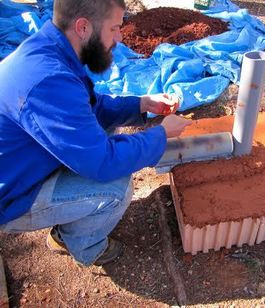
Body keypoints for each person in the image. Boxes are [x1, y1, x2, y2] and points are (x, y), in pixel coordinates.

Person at [0, 0, 191, 266]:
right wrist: (159, 135)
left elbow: (88, 106)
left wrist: (141, 104)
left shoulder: (51, 50)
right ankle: (79, 244)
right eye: (114, 28)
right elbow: (104, 163)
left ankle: (69, 218)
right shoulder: (48, 81)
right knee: (116, 187)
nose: (120, 37)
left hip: (20, 165)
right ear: (83, 27)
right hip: (10, 195)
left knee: (104, 132)